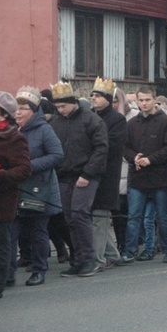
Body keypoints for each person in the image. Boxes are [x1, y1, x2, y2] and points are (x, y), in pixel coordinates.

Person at [49, 82, 109, 278]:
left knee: (80, 214)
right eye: (57, 107)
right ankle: (78, 259)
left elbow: (101, 149)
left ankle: (89, 259)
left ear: (73, 102)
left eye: (63, 106)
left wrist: (87, 175)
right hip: (64, 176)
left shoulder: (92, 120)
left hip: (86, 175)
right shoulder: (56, 122)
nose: (60, 110)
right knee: (69, 218)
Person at [119, 86, 167, 264]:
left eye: (147, 100)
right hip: (138, 178)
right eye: (141, 100)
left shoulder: (166, 122)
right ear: (136, 101)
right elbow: (124, 147)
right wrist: (133, 157)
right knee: (134, 217)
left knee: (163, 217)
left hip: (160, 177)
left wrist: (150, 160)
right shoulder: (131, 124)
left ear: (154, 100)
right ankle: (130, 250)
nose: (144, 103)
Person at [9, 88, 58, 288]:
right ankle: (8, 273)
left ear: (34, 110)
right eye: (16, 109)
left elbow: (57, 155)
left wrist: (29, 166)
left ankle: (39, 269)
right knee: (11, 233)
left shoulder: (44, 129)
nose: (18, 113)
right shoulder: (11, 130)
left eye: (23, 109)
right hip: (14, 188)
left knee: (38, 231)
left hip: (39, 188)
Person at [89, 78, 126, 271]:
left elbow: (109, 147)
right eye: (92, 95)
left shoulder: (117, 120)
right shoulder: (89, 116)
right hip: (90, 172)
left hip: (107, 174)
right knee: (96, 216)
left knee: (99, 216)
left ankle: (98, 259)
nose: (93, 98)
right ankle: (113, 254)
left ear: (108, 99)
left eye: (97, 95)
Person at [0, 92, 32, 298]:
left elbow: (24, 169)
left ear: (3, 114)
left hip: (3, 200)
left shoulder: (14, 138)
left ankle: (0, 283)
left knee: (1, 244)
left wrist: (0, 174)